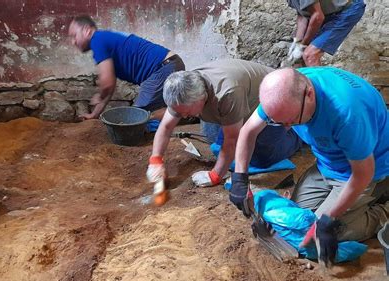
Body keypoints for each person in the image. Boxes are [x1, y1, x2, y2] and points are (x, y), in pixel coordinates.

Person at [230, 67, 388, 267]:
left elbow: (363, 174)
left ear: (310, 95)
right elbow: (248, 131)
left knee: (326, 236)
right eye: (278, 122)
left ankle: (383, 210)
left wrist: (329, 219)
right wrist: (240, 178)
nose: (287, 128)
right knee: (299, 222)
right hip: (328, 163)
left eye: (291, 120)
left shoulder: (348, 112)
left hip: (366, 169)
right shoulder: (283, 90)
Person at [146, 59, 302, 188]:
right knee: (211, 135)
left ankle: (298, 134)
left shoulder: (227, 93)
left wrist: (215, 175)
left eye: (186, 111)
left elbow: (232, 141)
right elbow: (166, 126)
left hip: (272, 100)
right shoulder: (182, 90)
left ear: (202, 97)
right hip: (239, 102)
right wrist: (156, 160)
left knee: (261, 158)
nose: (184, 116)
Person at [68, 15, 185, 122]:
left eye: (74, 36)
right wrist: (95, 114)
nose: (73, 42)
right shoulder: (103, 38)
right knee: (142, 118)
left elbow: (107, 83)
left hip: (162, 69)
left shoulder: (97, 40)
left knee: (136, 119)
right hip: (169, 64)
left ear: (87, 31)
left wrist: (100, 96)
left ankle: (188, 112)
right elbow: (110, 87)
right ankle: (187, 111)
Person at [285, 0, 366, 66]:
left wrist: (302, 45)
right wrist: (297, 42)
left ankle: (318, 86)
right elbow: (302, 15)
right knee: (299, 60)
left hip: (347, 10)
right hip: (327, 14)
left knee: (310, 55)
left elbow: (317, 17)